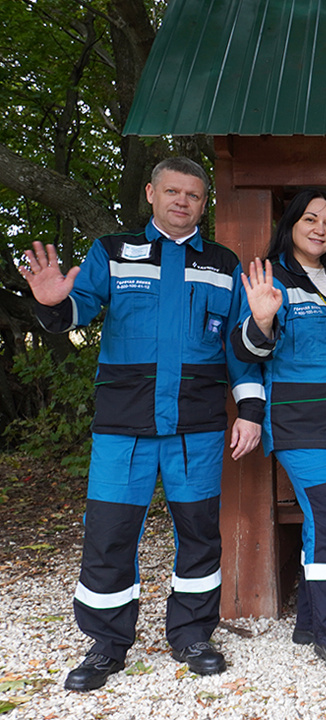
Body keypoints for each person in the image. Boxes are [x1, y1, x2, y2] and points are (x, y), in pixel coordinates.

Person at [20, 157, 264, 691]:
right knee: (109, 535)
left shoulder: (223, 263)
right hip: (123, 425)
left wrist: (249, 411)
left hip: (195, 425)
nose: (182, 201)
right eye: (172, 191)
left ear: (204, 204)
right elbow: (77, 307)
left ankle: (193, 634)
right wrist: (53, 306)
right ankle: (106, 644)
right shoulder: (112, 251)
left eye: (193, 195)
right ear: (151, 193)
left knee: (199, 534)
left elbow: (239, 350)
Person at [233, 190, 326, 676]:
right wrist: (263, 320)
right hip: (300, 422)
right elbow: (244, 350)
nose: (320, 228)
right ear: (291, 223)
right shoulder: (266, 275)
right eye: (310, 218)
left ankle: (310, 622)